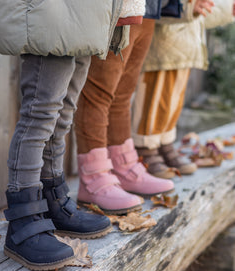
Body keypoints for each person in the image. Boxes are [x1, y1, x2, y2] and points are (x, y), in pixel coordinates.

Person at [0, 0, 146, 271]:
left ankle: (52, 200)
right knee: (40, 113)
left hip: (90, 11)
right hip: (52, 11)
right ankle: (23, 219)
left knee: (63, 114)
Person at [74, 1, 184, 216]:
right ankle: (93, 178)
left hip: (149, 6)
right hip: (119, 5)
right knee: (99, 94)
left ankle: (124, 167)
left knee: (123, 94)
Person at [132, 0, 234, 179]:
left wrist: (227, 8)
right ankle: (145, 146)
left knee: (172, 104)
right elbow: (152, 7)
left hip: (185, 49)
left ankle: (165, 143)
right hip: (162, 46)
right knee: (155, 102)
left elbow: (201, 15)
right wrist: (185, 7)